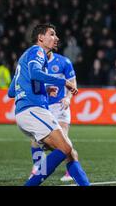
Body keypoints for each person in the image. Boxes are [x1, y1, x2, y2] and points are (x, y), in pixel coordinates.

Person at [8, 23, 90, 186]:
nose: (56, 38)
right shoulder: (37, 51)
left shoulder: (25, 57)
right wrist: (63, 82)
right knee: (66, 147)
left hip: (25, 112)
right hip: (33, 110)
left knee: (69, 153)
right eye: (51, 34)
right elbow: (35, 73)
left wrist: (44, 89)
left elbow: (11, 91)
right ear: (40, 38)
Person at [30, 49, 77, 182]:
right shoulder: (36, 64)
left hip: (60, 106)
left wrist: (68, 98)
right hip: (43, 107)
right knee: (36, 139)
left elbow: (72, 83)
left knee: (64, 140)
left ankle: (71, 170)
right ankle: (38, 168)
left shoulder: (64, 62)